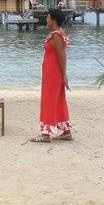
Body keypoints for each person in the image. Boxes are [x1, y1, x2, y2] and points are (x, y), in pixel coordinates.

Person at [31, 9, 72, 143]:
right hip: (51, 71)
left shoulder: (56, 35)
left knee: (49, 100)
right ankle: (66, 132)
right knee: (58, 99)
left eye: (48, 17)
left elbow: (62, 56)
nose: (46, 19)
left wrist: (64, 75)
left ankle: (46, 134)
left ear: (54, 20)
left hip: (53, 72)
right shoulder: (56, 34)